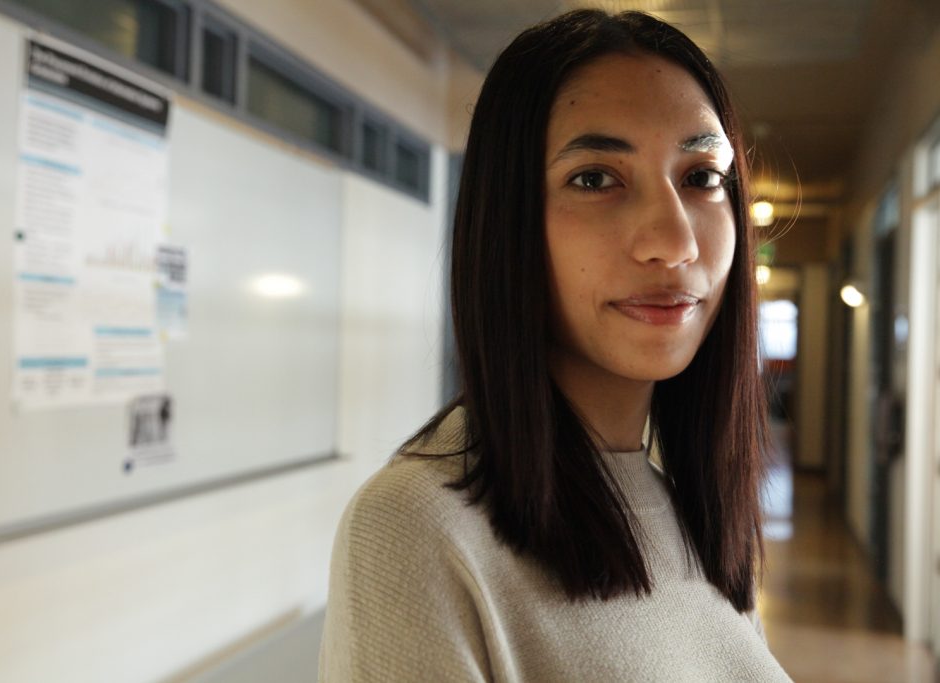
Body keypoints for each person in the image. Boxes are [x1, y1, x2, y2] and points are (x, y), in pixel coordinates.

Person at [319, 9, 793, 682]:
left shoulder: (698, 509)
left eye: (701, 176)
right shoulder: (416, 530)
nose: (675, 240)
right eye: (596, 178)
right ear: (507, 221)